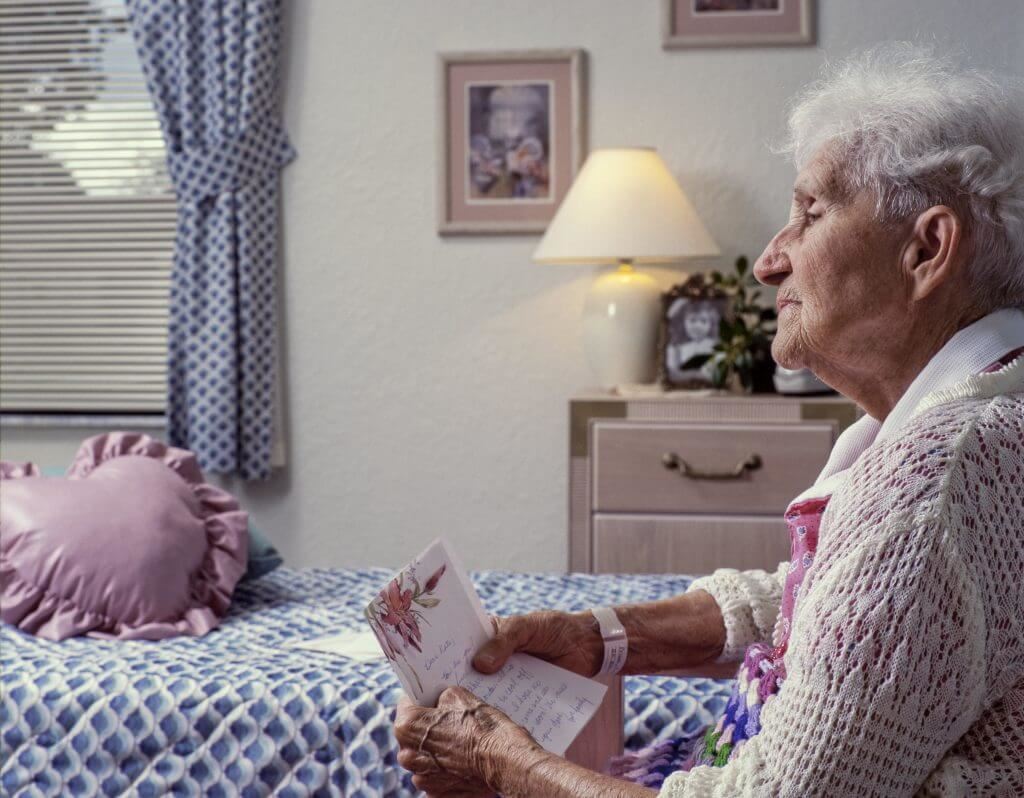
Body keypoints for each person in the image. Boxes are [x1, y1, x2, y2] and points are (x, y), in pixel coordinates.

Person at [395, 43, 1024, 797]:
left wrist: (504, 764)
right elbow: (839, 613)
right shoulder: (980, 418)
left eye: (810, 213)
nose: (768, 261)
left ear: (927, 248)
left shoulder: (941, 480)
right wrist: (598, 634)